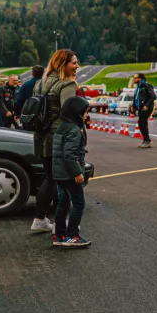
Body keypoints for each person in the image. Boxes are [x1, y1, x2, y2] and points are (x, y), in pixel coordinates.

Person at [30, 50, 80, 234]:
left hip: (42, 136)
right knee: (62, 180)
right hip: (60, 137)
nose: (77, 66)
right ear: (62, 64)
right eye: (73, 63)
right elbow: (69, 112)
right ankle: (61, 225)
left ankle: (39, 219)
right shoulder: (66, 84)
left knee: (50, 178)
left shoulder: (39, 83)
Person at [52, 96, 91, 248]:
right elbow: (69, 154)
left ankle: (60, 235)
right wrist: (77, 172)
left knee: (62, 203)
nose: (87, 115)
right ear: (76, 112)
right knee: (79, 204)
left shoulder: (62, 125)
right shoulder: (74, 130)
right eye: (84, 112)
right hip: (69, 174)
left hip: (59, 172)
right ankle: (72, 236)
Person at [130, 73, 155, 149]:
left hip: (146, 107)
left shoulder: (146, 85)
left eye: (135, 78)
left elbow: (152, 96)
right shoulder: (139, 87)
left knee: (142, 123)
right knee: (141, 124)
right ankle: (146, 140)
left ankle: (147, 140)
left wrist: (147, 105)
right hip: (140, 107)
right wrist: (133, 106)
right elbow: (136, 97)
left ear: (140, 78)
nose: (134, 79)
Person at [14, 65, 44, 130]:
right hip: (43, 115)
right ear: (43, 73)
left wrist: (17, 113)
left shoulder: (26, 85)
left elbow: (19, 101)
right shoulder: (46, 85)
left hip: (28, 116)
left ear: (32, 73)